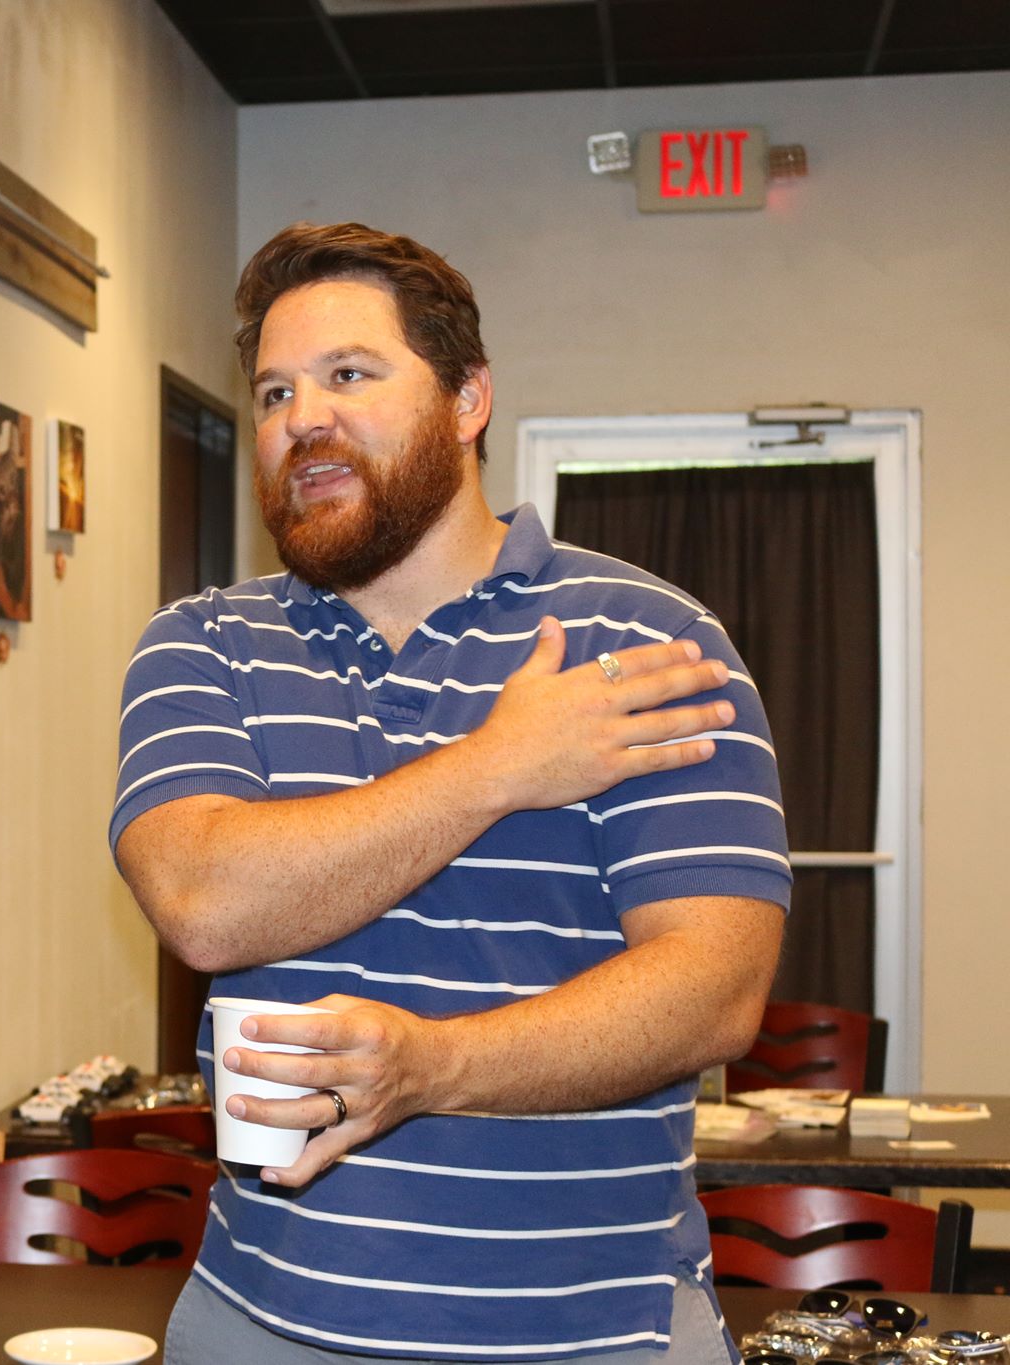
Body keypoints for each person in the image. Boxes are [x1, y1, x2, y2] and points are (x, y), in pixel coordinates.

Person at [112, 222, 789, 1362]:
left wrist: (431, 1070)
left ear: (467, 398)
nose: (300, 419)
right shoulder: (202, 643)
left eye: (348, 374)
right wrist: (498, 765)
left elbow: (712, 989)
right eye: (273, 391)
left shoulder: (648, 641)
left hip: (589, 1330)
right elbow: (203, 902)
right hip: (262, 1322)